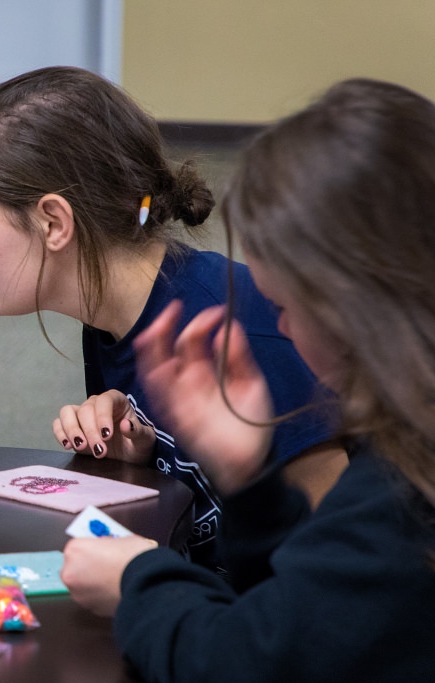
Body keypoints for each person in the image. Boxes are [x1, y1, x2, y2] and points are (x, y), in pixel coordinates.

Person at [60, 78, 435, 681]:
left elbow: (249, 660)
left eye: (287, 306)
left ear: (356, 307)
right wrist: (249, 478)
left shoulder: (401, 488)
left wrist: (139, 580)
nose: (280, 324)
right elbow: (307, 606)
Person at [0, 65, 345, 572]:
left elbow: (333, 570)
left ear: (53, 222)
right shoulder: (109, 318)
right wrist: (140, 461)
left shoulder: (245, 331)